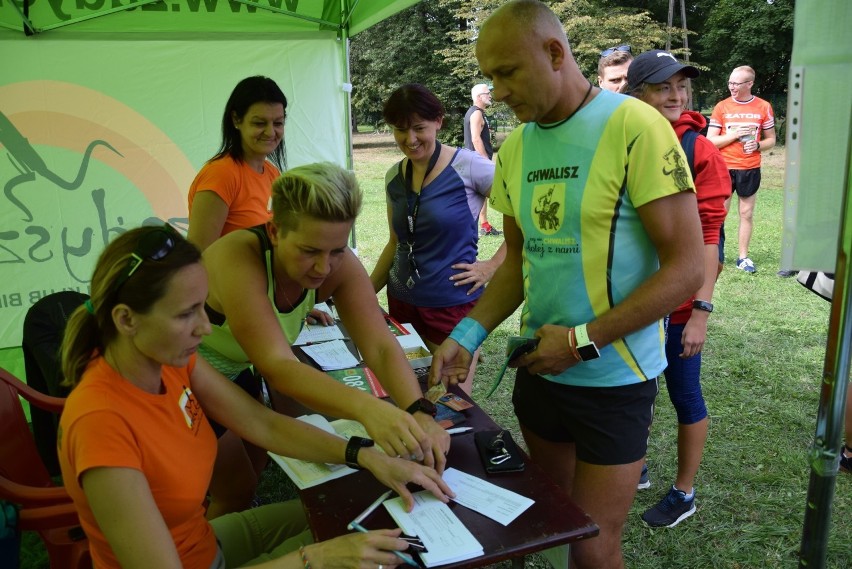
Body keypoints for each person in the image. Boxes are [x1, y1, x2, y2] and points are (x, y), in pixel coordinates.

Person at [428, 2, 704, 567]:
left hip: (613, 378)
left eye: (507, 72)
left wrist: (580, 342)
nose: (497, 91)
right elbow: (519, 260)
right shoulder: (517, 148)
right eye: (490, 77)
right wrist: (469, 333)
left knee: (594, 541)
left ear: (555, 53)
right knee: (548, 520)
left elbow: (686, 269)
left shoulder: (636, 126)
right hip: (540, 368)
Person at [57, 224, 454, 569]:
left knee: (363, 506)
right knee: (361, 545)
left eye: (202, 307)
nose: (204, 329)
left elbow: (260, 422)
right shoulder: (101, 424)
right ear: (125, 319)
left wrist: (366, 455)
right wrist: (316, 559)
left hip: (205, 545)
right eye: (186, 314)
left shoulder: (165, 359)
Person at [201, 162, 451, 516]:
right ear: (274, 231)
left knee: (254, 468)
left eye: (337, 250)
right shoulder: (237, 256)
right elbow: (278, 366)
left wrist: (418, 410)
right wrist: (369, 409)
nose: (324, 267)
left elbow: (379, 345)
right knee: (234, 487)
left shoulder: (339, 264)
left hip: (237, 367)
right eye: (309, 251)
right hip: (185, 371)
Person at [626, 50, 730, 527]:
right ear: (638, 92)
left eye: (682, 85)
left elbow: (711, 236)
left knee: (684, 394)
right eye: (663, 85)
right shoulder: (622, 138)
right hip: (634, 299)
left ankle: (684, 493)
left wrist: (701, 312)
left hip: (682, 303)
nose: (676, 94)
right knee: (637, 386)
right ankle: (637, 467)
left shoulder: (698, 150)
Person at [371, 84, 505, 395]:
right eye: (400, 130)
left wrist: (491, 266)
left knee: (451, 403)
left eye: (419, 128)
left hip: (451, 305)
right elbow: (395, 244)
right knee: (409, 397)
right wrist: (362, 294)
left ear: (439, 122)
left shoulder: (469, 167)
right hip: (401, 303)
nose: (410, 139)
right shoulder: (393, 176)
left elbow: (526, 219)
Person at [187, 76, 287, 252]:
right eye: (259, 123)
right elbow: (199, 255)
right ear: (236, 119)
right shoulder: (221, 174)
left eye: (278, 123)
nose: (271, 132)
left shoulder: (273, 173)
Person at [706, 65, 776, 274]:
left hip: (749, 167)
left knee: (746, 213)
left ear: (749, 84)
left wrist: (757, 146)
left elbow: (771, 140)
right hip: (723, 168)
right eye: (730, 82)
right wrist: (734, 134)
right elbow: (710, 142)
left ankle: (743, 258)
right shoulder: (722, 107)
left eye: (736, 83)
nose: (732, 87)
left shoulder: (763, 107)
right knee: (720, 213)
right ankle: (715, 255)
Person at [463, 83, 502, 237]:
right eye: (487, 93)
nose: (490, 96)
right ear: (479, 97)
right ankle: (471, 228)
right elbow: (475, 138)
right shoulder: (476, 113)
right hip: (477, 162)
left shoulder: (476, 112)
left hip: (474, 161)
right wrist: (485, 161)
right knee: (488, 193)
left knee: (481, 194)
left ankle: (484, 225)